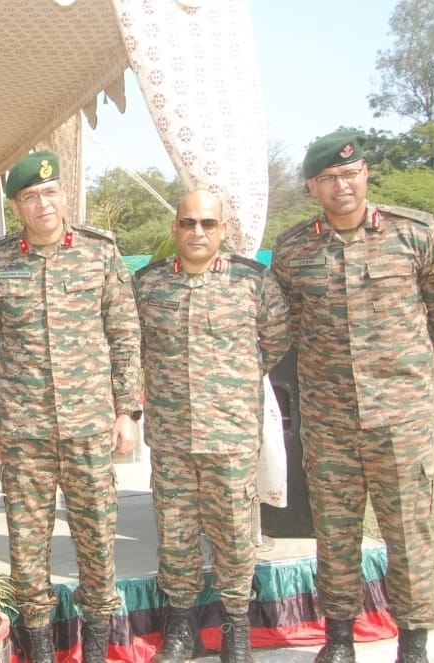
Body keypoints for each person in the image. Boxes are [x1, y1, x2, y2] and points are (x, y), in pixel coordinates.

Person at [271, 130, 434, 663]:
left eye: (350, 174)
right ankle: (339, 639)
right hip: (329, 422)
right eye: (329, 178)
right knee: (335, 534)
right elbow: (285, 327)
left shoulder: (416, 233)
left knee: (408, 534)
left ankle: (413, 643)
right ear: (312, 187)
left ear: (366, 173)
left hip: (399, 418)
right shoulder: (294, 248)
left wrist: (403, 371)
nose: (342, 185)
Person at [0, 150, 142, 663]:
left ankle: (96, 647)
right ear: (16, 206)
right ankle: (41, 649)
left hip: (90, 426)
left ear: (64, 194)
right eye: (30, 196)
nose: (43, 204)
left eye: (50, 192)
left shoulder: (99, 252)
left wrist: (127, 410)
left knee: (97, 542)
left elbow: (125, 333)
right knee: (26, 549)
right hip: (24, 433)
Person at [134, 190, 290, 663]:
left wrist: (233, 382)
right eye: (188, 222)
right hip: (172, 438)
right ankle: (182, 630)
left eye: (207, 223)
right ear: (175, 228)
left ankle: (235, 630)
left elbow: (275, 338)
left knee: (235, 537)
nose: (197, 232)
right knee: (175, 537)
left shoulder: (252, 281)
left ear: (222, 229)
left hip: (230, 435)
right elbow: (131, 343)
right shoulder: (148, 285)